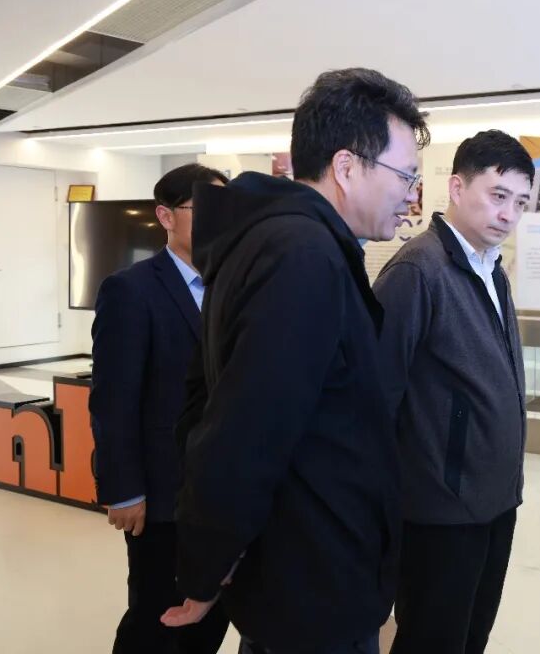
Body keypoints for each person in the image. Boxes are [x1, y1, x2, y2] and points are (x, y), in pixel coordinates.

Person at [161, 68, 429, 654]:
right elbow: (245, 427)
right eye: (406, 175)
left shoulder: (273, 239)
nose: (411, 194)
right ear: (346, 167)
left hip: (299, 570)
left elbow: (205, 398)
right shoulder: (303, 255)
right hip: (312, 580)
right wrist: (207, 561)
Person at [372, 130, 533, 654]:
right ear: (457, 188)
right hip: (439, 510)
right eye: (498, 195)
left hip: (494, 501)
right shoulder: (417, 271)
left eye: (521, 202)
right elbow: (376, 396)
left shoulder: (491, 268)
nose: (509, 214)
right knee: (432, 640)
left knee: (470, 637)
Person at [89, 163, 230, 654]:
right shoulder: (131, 290)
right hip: (163, 493)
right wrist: (124, 489)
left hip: (224, 492)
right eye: (204, 208)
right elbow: (113, 399)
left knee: (212, 618)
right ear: (166, 216)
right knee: (156, 620)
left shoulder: (233, 286)